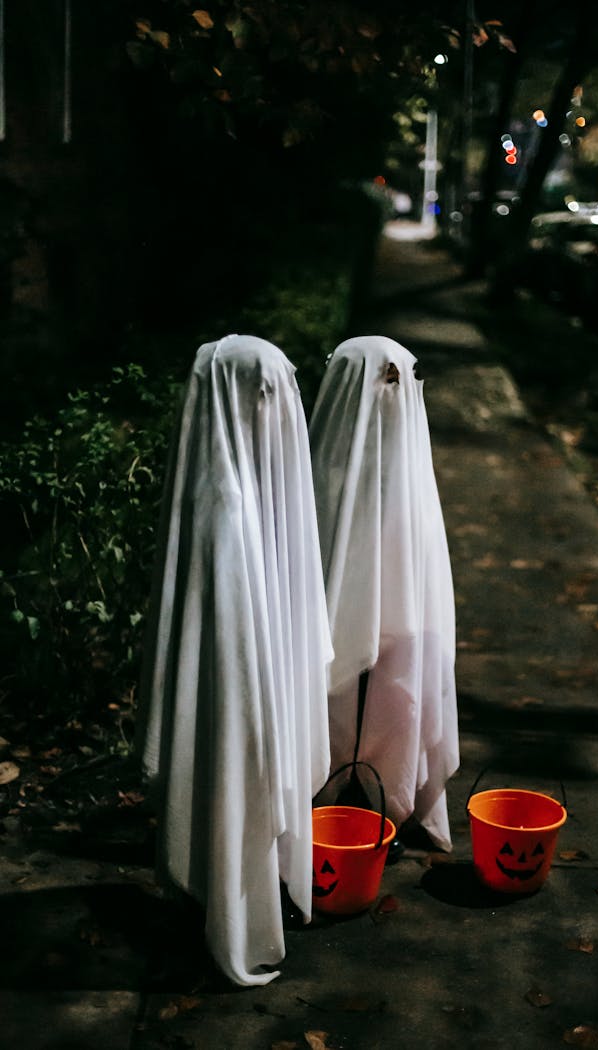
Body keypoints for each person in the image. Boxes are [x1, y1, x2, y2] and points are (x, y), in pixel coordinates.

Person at [137, 334, 332, 986]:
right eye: (268, 397)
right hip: (237, 706)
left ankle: (229, 892)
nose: (279, 412)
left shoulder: (245, 488)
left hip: (243, 698)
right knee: (233, 781)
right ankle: (234, 916)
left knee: (230, 783)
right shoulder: (224, 504)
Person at [309, 335, 459, 853]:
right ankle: (330, 797)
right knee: (341, 695)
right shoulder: (322, 467)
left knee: (391, 692)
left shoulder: (408, 471)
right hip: (337, 636)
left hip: (396, 641)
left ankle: (374, 802)